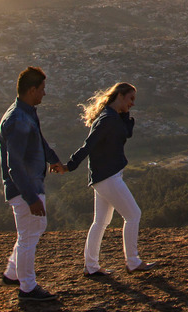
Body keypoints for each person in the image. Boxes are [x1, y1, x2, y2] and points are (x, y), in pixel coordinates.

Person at [66, 81, 156, 275]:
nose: (132, 103)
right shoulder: (107, 119)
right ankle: (132, 261)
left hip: (103, 176)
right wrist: (71, 165)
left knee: (101, 222)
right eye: (130, 98)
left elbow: (126, 133)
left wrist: (124, 114)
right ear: (120, 96)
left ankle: (91, 266)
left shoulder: (112, 116)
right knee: (133, 215)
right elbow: (88, 145)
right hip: (108, 177)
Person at [0, 66, 66, 303]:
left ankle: (12, 273)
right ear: (31, 89)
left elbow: (38, 138)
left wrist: (53, 159)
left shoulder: (27, 113)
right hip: (24, 186)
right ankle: (27, 287)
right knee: (29, 235)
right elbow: (14, 166)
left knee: (32, 230)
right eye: (42, 89)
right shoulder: (17, 119)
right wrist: (31, 197)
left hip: (29, 183)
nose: (44, 94)